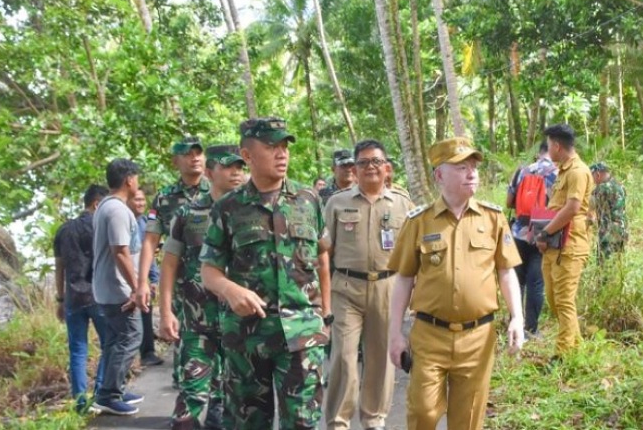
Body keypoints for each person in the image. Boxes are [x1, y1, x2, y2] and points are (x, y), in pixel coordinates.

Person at [200, 117, 331, 429]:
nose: (282, 153)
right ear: (247, 155)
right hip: (247, 337)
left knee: (302, 423)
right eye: (272, 146)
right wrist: (231, 290)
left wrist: (325, 313)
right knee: (247, 422)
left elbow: (323, 255)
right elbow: (208, 270)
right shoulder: (228, 207)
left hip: (302, 333)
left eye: (284, 146)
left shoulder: (308, 199)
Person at [387, 137, 524, 430]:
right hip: (430, 334)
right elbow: (404, 278)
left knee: (469, 419)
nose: (471, 173)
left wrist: (517, 317)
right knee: (423, 412)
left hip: (478, 337)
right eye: (461, 167)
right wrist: (394, 333)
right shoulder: (419, 222)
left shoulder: (493, 218)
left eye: (473, 166)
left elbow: (506, 271)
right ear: (439, 175)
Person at [323, 140, 413, 430]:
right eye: (363, 163)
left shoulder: (402, 203)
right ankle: (338, 421)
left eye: (376, 161)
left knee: (381, 358)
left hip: (388, 288)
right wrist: (322, 299)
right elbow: (324, 251)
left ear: (387, 168)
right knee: (344, 356)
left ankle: (374, 419)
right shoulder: (337, 202)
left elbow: (414, 252)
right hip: (346, 288)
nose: (370, 167)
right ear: (355, 169)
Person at [159, 145, 247, 430]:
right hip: (198, 321)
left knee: (235, 399)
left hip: (240, 324)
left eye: (239, 167)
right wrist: (165, 313)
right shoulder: (188, 214)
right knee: (192, 394)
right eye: (227, 167)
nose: (236, 173)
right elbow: (169, 264)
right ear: (209, 173)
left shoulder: (252, 212)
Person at [138, 136, 210, 386]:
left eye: (198, 153)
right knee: (185, 343)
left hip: (218, 281)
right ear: (175, 161)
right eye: (188, 154)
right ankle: (186, 390)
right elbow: (150, 241)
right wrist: (142, 282)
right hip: (182, 284)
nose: (195, 158)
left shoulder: (218, 191)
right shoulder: (165, 198)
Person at [92, 158, 147, 416]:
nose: (137, 183)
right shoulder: (116, 210)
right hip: (118, 289)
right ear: (129, 180)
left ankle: (115, 389)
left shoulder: (106, 206)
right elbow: (121, 252)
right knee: (131, 336)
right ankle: (108, 394)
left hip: (108, 286)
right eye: (136, 178)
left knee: (116, 340)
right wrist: (137, 287)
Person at [535, 124, 594, 359]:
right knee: (554, 300)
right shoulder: (562, 171)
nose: (548, 149)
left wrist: (544, 232)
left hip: (569, 246)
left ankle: (561, 356)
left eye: (549, 145)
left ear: (557, 146)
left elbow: (572, 208)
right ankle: (577, 348)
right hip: (554, 245)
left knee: (564, 301)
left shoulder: (578, 171)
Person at [53, 184, 109, 413]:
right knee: (109, 344)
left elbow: (59, 268)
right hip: (98, 295)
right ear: (96, 204)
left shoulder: (63, 230)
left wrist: (60, 298)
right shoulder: (100, 227)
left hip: (73, 298)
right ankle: (101, 393)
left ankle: (80, 402)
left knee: (77, 350)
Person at [505, 141, 558, 338]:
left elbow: (509, 202)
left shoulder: (522, 171)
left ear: (539, 153)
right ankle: (531, 329)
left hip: (518, 231)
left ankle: (514, 324)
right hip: (542, 232)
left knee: (517, 280)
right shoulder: (557, 173)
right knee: (536, 283)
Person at [128, 189, 164, 366]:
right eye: (137, 200)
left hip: (142, 278)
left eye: (143, 200)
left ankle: (147, 353)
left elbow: (150, 254)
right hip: (126, 277)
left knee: (145, 312)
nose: (141, 203)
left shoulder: (145, 222)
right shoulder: (124, 220)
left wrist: (154, 279)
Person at [589, 162, 627, 265]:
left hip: (608, 233)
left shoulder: (602, 188)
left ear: (597, 174)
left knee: (604, 265)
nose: (592, 181)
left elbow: (589, 204)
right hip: (621, 230)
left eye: (592, 177)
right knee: (616, 264)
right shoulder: (620, 185)